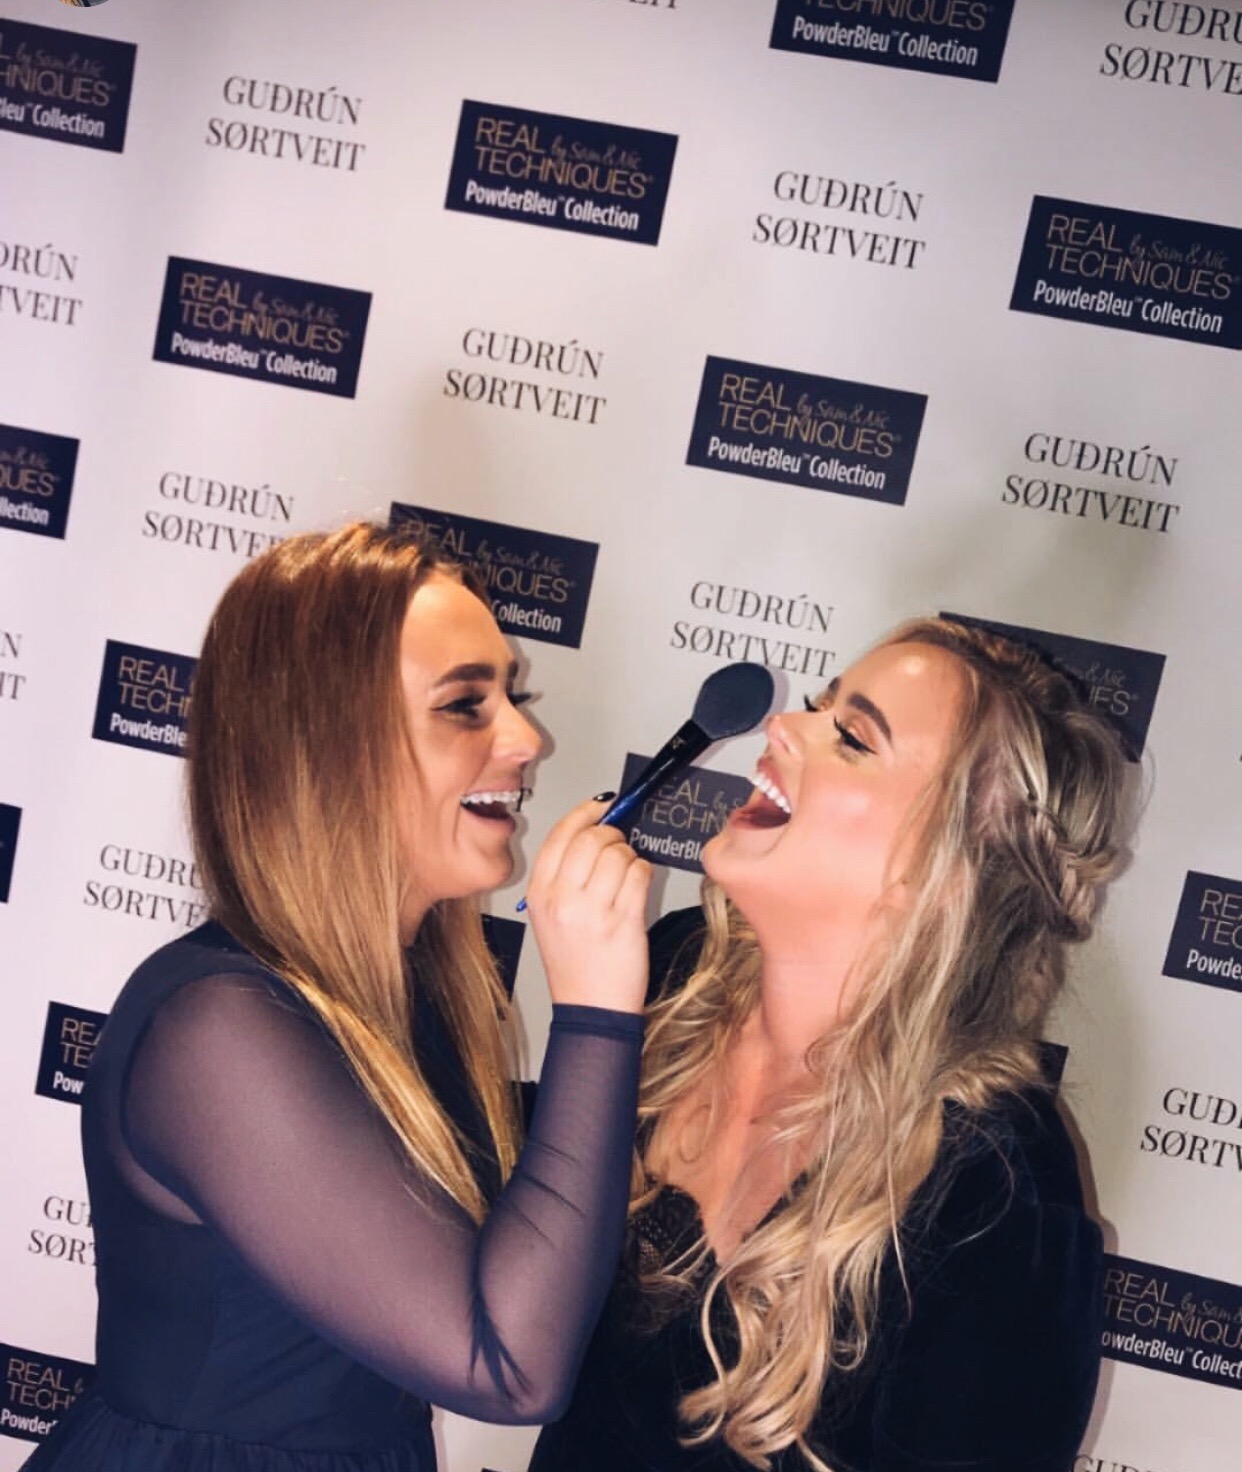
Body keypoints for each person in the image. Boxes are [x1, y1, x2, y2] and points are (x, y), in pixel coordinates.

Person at [24, 521, 651, 1472]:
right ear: (324, 746)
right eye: (465, 705)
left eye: (512, 698)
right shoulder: (220, 1028)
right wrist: (598, 1012)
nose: (528, 740)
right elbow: (509, 1367)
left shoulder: (413, 992)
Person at [531, 617, 1130, 1472]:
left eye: (851, 737)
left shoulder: (999, 1185)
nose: (782, 724)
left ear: (945, 873)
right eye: (818, 706)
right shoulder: (667, 975)